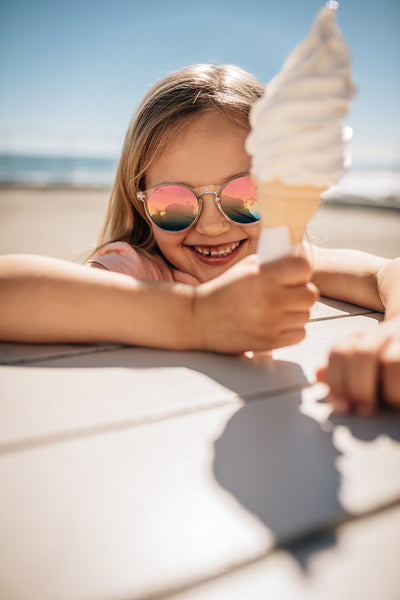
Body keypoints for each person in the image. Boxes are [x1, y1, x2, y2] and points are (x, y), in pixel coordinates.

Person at [0, 64, 399, 414]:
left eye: (246, 195)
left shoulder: (281, 260)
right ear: (142, 205)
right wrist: (195, 316)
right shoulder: (138, 270)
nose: (211, 226)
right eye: (173, 202)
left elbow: (386, 272)